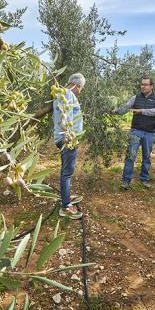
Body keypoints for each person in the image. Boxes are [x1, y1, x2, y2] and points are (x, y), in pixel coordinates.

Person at [112, 76, 155, 189]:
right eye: (142, 84)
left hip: (150, 132)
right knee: (130, 155)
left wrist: (141, 111)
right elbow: (126, 107)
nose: (143, 86)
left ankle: (144, 179)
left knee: (146, 157)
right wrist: (115, 112)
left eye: (145, 84)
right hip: (136, 130)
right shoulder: (135, 98)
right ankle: (126, 181)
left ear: (151, 86)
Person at [53, 73, 85, 220]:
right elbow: (67, 117)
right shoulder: (68, 94)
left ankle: (66, 197)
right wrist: (69, 137)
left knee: (65, 171)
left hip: (64, 138)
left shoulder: (60, 93)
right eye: (81, 88)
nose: (80, 91)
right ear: (77, 85)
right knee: (67, 172)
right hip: (68, 140)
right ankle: (65, 206)